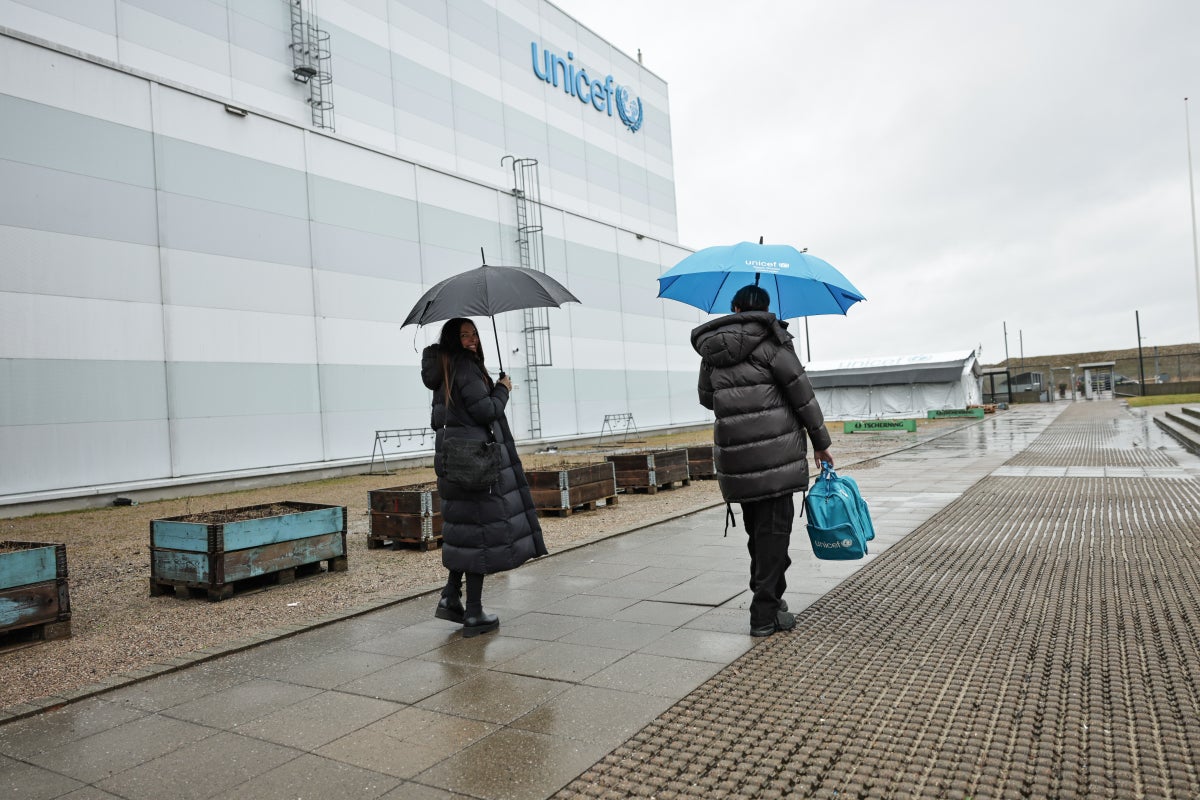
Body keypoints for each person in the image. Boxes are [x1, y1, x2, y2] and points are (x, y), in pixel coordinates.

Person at [691, 284, 834, 637]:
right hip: (776, 456)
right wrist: (821, 443)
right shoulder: (774, 344)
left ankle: (771, 597)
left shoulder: (712, 350)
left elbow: (708, 400)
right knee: (774, 536)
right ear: (766, 309)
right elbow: (802, 397)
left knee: (760, 535)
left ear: (735, 307)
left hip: (737, 459)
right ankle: (764, 615)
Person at [421, 317, 547, 637]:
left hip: (453, 459)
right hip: (474, 461)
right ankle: (474, 613)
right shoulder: (464, 367)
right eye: (464, 335)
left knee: (464, 530)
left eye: (474, 334)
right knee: (478, 532)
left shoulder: (447, 369)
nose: (472, 339)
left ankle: (451, 597)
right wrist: (503, 389)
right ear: (453, 340)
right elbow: (485, 410)